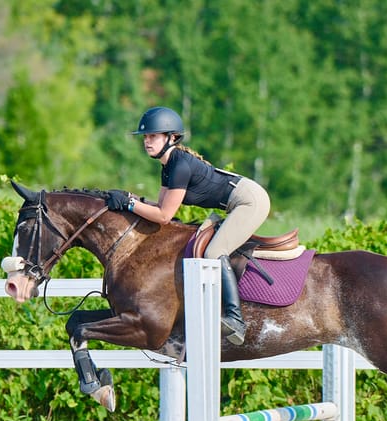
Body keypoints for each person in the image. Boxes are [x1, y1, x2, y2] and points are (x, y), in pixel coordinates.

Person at [105, 106, 271, 345]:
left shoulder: (179, 165)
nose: (147, 141)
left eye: (153, 136)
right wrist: (129, 199)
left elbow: (164, 216)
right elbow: (159, 206)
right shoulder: (169, 166)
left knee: (215, 252)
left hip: (250, 201)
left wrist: (130, 204)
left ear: (172, 137)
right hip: (239, 199)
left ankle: (235, 320)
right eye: (145, 137)